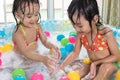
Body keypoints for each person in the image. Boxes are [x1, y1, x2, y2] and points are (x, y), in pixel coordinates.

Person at [51, 0, 120, 80]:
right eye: (74, 26)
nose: (77, 30)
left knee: (105, 68)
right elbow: (75, 53)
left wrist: (96, 63)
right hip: (93, 63)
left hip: (111, 65)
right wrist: (61, 66)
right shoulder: (81, 34)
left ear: (95, 19)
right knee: (79, 70)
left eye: (80, 26)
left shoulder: (105, 33)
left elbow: (117, 56)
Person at [0, 0, 60, 79]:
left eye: (36, 14)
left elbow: (45, 41)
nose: (33, 19)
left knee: (53, 69)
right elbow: (25, 52)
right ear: (17, 15)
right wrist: (43, 58)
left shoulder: (37, 26)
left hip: (35, 55)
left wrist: (52, 46)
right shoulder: (18, 33)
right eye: (29, 16)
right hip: (19, 60)